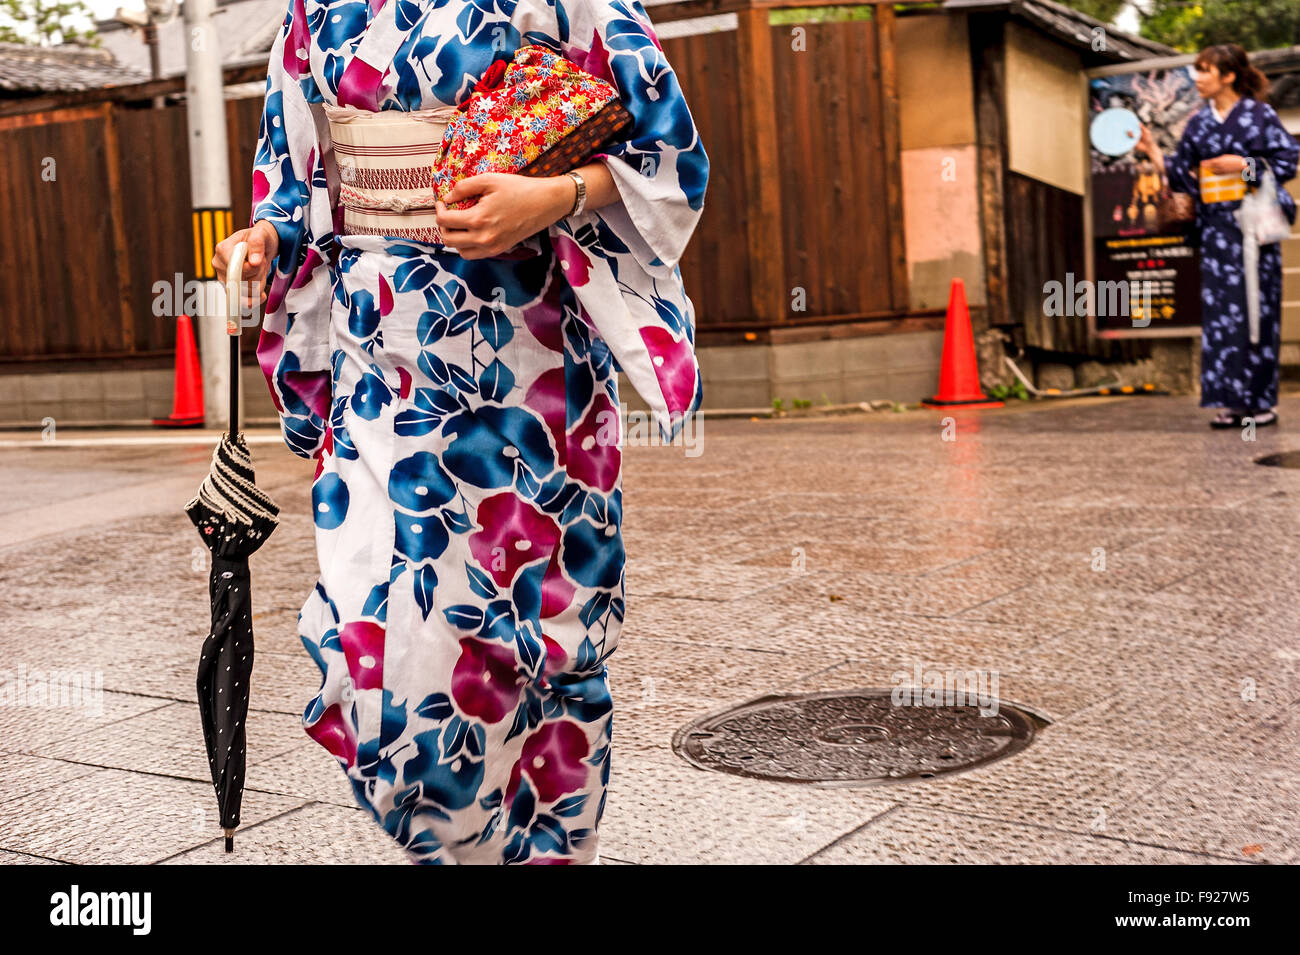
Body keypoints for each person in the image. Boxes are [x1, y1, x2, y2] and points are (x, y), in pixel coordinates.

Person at [212, 0, 707, 863]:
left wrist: (553, 193)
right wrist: (261, 238)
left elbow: (670, 151)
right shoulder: (312, 8)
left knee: (536, 644)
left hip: (526, 365)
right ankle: (453, 842)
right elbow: (290, 181)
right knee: (378, 643)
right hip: (379, 369)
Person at [1138, 43, 1298, 429]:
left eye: (1206, 70)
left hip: (1253, 228)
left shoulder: (1259, 115)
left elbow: (1287, 161)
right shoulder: (1198, 122)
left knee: (1256, 312)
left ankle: (1260, 402)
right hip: (1216, 233)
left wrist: (1241, 166)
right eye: (1197, 70)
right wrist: (1155, 153)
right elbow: (1183, 174)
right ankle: (1231, 402)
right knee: (1221, 316)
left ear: (1228, 75)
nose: (1198, 78)